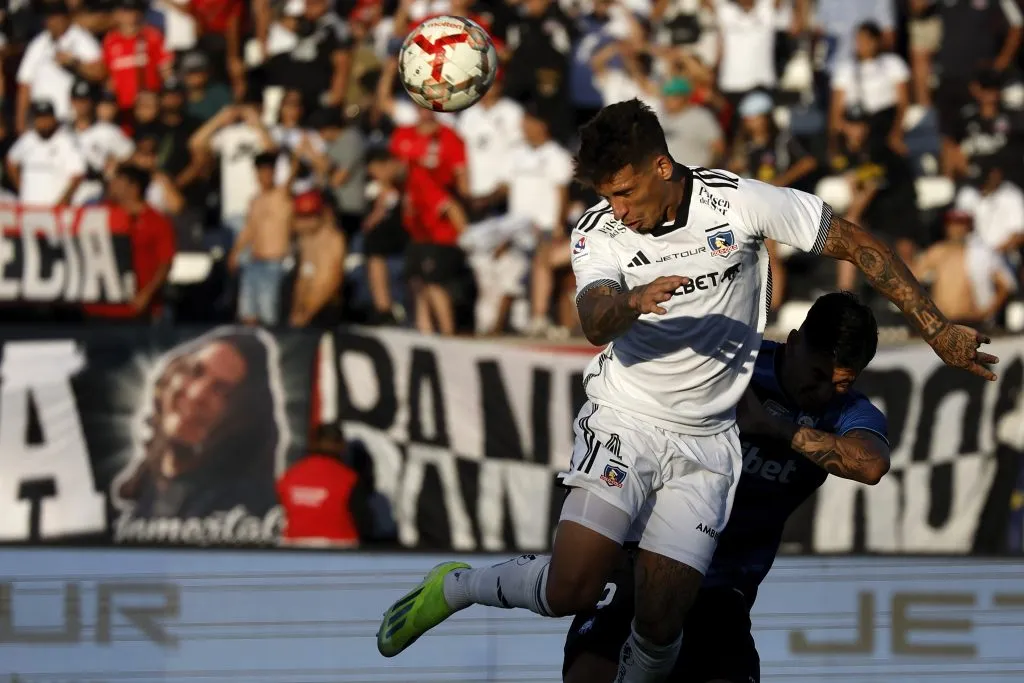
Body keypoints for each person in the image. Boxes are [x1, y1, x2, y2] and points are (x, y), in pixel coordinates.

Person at [376, 99, 997, 683]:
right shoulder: (600, 232)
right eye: (605, 196)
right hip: (626, 420)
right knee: (571, 591)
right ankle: (457, 586)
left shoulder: (739, 204)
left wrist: (938, 329)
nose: (617, 208)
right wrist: (629, 303)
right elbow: (593, 318)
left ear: (661, 167)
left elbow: (856, 243)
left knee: (660, 624)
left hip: (708, 441)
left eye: (623, 192)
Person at [563, 291, 889, 683]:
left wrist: (772, 427)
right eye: (818, 376)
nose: (822, 392)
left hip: (720, 592)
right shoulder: (731, 368)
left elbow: (871, 465)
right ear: (796, 340)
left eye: (840, 384)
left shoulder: (850, 412)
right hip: (640, 564)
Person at [229, 151, 295, 326]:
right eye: (261, 172)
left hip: (275, 262)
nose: (264, 176)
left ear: (274, 173)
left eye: (268, 171)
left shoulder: (282, 196)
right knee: (247, 313)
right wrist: (235, 253)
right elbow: (249, 230)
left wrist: (298, 153)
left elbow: (293, 174)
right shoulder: (255, 200)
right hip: (254, 261)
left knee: (269, 315)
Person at [289, 190, 346, 328]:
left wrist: (309, 313)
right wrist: (297, 309)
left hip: (326, 307)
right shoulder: (306, 241)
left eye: (307, 217)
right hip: (307, 311)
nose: (302, 223)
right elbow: (304, 278)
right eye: (300, 217)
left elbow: (333, 280)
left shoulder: (334, 239)